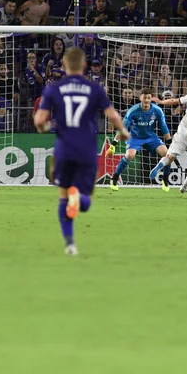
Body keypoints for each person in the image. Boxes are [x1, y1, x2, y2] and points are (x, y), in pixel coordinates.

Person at [34, 47, 129, 256]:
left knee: (62, 195)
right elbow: (112, 115)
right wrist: (122, 131)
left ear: (64, 66)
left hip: (63, 150)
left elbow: (40, 121)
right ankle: (79, 198)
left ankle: (69, 244)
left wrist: (45, 128)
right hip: (86, 150)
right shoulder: (94, 89)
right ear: (84, 66)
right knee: (85, 201)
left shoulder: (53, 89)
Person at [107, 88, 172, 192]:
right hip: (135, 137)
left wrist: (169, 141)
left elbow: (163, 127)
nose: (146, 100)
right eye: (144, 97)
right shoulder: (133, 111)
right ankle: (114, 178)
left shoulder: (157, 110)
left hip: (151, 137)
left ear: (151, 99)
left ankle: (165, 180)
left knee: (168, 155)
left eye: (149, 98)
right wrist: (113, 144)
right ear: (140, 98)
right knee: (129, 155)